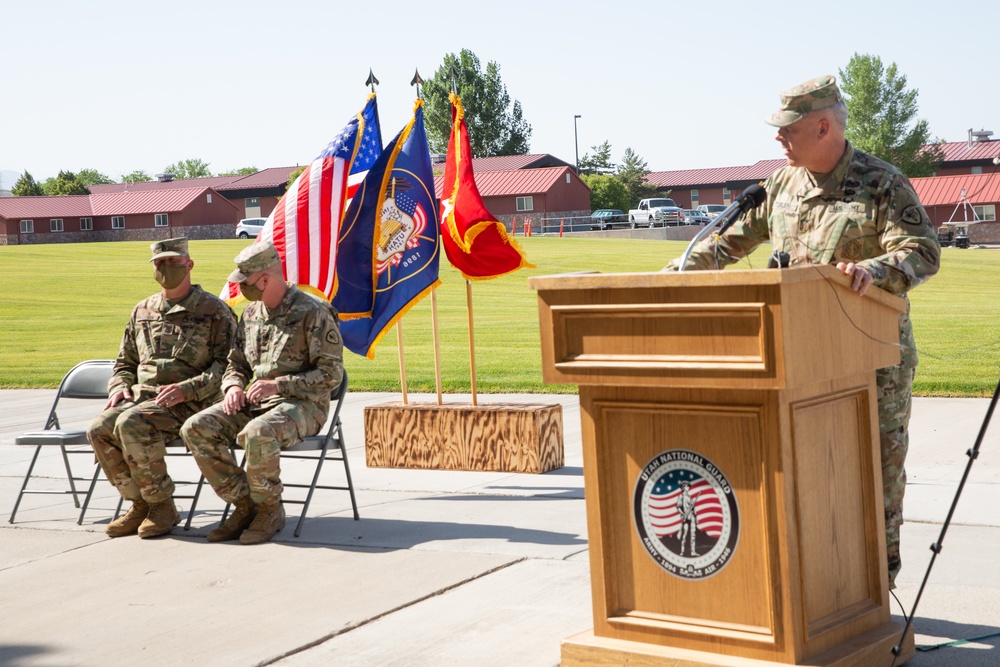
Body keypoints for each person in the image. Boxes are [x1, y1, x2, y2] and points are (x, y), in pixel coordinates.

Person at [664, 75, 940, 588]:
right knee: (806, 474)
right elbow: (728, 242)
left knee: (874, 476)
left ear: (821, 126)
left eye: (786, 129)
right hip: (797, 357)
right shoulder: (780, 185)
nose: (777, 138)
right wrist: (676, 270)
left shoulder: (882, 182)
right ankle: (817, 590)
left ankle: (880, 590)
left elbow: (923, 252)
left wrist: (873, 271)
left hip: (872, 360)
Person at [181, 242, 344, 545]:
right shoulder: (252, 314)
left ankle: (269, 510)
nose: (242, 289)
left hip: (303, 405)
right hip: (257, 402)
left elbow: (331, 376)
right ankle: (246, 506)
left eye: (246, 283)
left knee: (257, 432)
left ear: (266, 280)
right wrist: (232, 387)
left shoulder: (313, 312)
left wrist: (280, 385)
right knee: (197, 427)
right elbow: (236, 364)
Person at [87, 237, 237, 538]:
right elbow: (124, 361)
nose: (166, 268)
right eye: (160, 263)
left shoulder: (214, 311)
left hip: (192, 402)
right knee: (99, 428)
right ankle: (140, 503)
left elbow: (230, 365)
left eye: (173, 262)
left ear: (189, 264)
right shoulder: (143, 310)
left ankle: (161, 506)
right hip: (144, 399)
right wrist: (120, 385)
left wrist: (188, 389)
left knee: (133, 423)